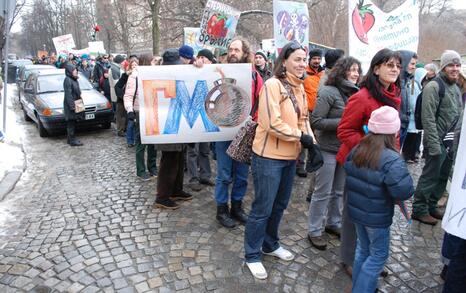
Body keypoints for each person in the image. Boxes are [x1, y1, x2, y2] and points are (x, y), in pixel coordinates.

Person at [244, 41, 314, 279]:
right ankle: (252, 254)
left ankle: (270, 244)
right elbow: (272, 123)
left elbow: (304, 119)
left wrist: (311, 143)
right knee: (262, 207)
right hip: (268, 158)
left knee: (280, 205)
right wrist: (300, 137)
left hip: (290, 157)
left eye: (304, 59)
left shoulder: (300, 87)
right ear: (283, 61)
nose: (302, 64)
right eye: (297, 59)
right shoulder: (272, 85)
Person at [337, 48, 402, 277]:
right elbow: (344, 131)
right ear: (376, 68)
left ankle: (371, 259)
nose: (395, 69)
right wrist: (373, 151)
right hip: (360, 165)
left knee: (375, 214)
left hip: (382, 167)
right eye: (389, 65)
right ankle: (349, 259)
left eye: (397, 65)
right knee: (353, 214)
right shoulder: (362, 97)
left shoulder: (394, 94)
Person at [345, 106, 414, 293]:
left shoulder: (359, 148)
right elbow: (404, 190)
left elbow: (348, 170)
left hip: (358, 212)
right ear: (393, 131)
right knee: (378, 255)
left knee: (363, 249)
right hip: (376, 217)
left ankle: (357, 287)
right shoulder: (391, 158)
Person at [307, 57, 361, 250]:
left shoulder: (357, 92)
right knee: (322, 192)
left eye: (357, 70)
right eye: (352, 70)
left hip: (346, 149)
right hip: (327, 149)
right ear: (342, 71)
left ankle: (333, 223)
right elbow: (316, 121)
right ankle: (314, 230)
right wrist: (345, 123)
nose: (355, 74)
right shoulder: (328, 91)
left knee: (339, 191)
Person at [213, 37, 263, 228]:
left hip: (245, 132)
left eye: (237, 50)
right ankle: (222, 210)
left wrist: (255, 123)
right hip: (223, 131)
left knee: (242, 174)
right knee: (224, 174)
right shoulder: (218, 70)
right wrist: (199, 64)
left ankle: (237, 207)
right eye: (231, 49)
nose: (233, 53)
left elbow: (259, 100)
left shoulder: (254, 75)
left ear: (244, 53)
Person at [412, 50, 463, 225]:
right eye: (451, 65)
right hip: (437, 141)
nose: (455, 68)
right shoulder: (434, 87)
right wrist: (434, 144)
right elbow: (428, 118)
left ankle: (432, 206)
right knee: (430, 176)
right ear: (443, 67)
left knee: (442, 177)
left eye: (457, 65)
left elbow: (457, 114)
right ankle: (419, 209)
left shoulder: (455, 87)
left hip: (450, 143)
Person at [154, 48, 193, 210]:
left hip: (178, 125)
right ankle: (162, 197)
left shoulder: (177, 74)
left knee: (178, 158)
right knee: (168, 161)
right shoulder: (157, 76)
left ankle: (175, 189)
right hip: (166, 126)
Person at [123, 54, 157, 181]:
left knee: (153, 143)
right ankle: (141, 170)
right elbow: (128, 96)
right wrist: (130, 111)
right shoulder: (134, 76)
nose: (155, 63)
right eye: (153, 61)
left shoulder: (154, 74)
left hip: (153, 111)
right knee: (141, 142)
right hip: (140, 112)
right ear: (146, 62)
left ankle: (152, 167)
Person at [186, 49, 216, 192]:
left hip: (206, 117)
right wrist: (194, 63)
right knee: (193, 150)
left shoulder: (213, 70)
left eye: (205, 58)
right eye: (200, 57)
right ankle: (193, 178)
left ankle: (205, 175)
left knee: (205, 150)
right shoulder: (192, 69)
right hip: (193, 116)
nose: (202, 60)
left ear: (210, 60)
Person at [298, 48, 324, 177]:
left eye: (319, 59)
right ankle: (301, 165)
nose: (317, 61)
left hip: (319, 112)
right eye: (314, 59)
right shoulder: (304, 73)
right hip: (306, 111)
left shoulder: (323, 74)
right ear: (310, 59)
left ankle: (312, 163)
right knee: (305, 139)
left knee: (315, 139)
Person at [402, 67, 424, 163]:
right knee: (410, 138)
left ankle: (412, 155)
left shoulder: (416, 85)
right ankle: (407, 156)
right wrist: (416, 112)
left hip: (415, 116)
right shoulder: (413, 85)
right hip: (412, 116)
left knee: (415, 137)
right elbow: (412, 101)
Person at [397, 50, 418, 146]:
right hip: (396, 126)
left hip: (404, 124)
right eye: (412, 64)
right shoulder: (395, 82)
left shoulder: (407, 81)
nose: (414, 67)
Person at [63, 64, 84, 146]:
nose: (76, 72)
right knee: (71, 122)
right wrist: (72, 106)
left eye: (76, 71)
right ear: (70, 72)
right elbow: (68, 94)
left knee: (73, 122)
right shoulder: (68, 80)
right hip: (71, 104)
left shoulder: (74, 79)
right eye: (74, 71)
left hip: (76, 103)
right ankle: (72, 140)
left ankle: (70, 139)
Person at [109, 55, 126, 136]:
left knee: (120, 113)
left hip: (117, 93)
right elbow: (117, 83)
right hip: (118, 94)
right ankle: (120, 130)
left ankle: (121, 129)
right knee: (120, 113)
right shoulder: (114, 69)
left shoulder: (115, 68)